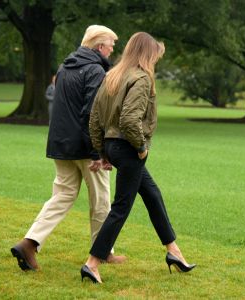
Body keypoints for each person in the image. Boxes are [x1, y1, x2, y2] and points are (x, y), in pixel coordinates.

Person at [81, 32, 196, 284]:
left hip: (114, 146)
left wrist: (104, 152)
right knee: (121, 208)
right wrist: (141, 148)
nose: (156, 60)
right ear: (147, 54)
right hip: (129, 148)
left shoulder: (113, 75)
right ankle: (92, 263)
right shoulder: (141, 78)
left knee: (152, 195)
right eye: (156, 55)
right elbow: (129, 120)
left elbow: (94, 119)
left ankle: (174, 252)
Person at [11, 25, 126, 271]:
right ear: (99, 47)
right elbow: (92, 114)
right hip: (87, 148)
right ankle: (103, 252)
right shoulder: (96, 70)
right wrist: (99, 152)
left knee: (61, 196)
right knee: (101, 201)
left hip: (61, 145)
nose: (111, 51)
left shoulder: (65, 67)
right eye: (110, 46)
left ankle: (29, 243)